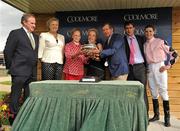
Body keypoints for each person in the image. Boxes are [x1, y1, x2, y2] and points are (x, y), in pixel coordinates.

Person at [3, 13, 39, 122]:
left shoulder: (36, 37)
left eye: (35, 23)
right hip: (19, 72)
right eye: (32, 23)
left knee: (29, 98)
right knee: (15, 97)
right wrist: (12, 67)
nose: (34, 25)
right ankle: (13, 121)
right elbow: (8, 51)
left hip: (32, 73)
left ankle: (25, 119)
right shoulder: (15, 33)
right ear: (24, 22)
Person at [144, 24, 172, 127]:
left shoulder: (160, 41)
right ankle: (156, 115)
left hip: (160, 67)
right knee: (153, 92)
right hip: (150, 68)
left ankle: (167, 118)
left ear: (154, 31)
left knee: (163, 91)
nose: (148, 33)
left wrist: (168, 66)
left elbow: (174, 53)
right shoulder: (144, 45)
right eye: (146, 31)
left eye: (150, 31)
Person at [123, 21, 149, 115]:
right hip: (129, 68)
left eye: (130, 27)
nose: (129, 30)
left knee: (142, 91)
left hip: (140, 68)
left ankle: (144, 116)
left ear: (134, 28)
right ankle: (132, 114)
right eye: (127, 28)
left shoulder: (141, 38)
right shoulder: (122, 40)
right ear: (125, 30)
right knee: (130, 92)